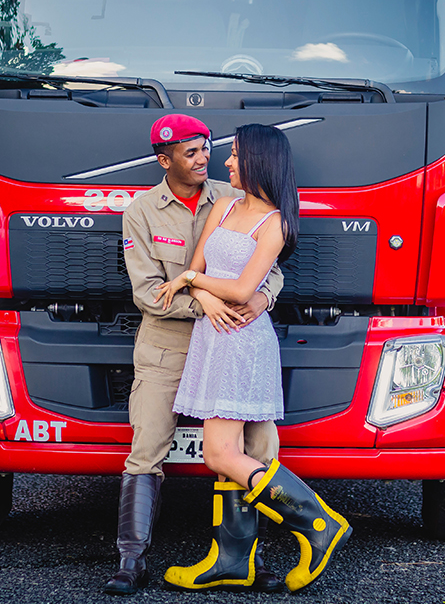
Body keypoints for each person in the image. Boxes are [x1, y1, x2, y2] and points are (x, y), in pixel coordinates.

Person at [157, 124, 351, 594]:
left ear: (259, 161)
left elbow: (244, 289)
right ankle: (232, 561)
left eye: (235, 154)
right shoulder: (223, 207)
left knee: (219, 453)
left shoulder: (276, 223)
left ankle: (318, 522)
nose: (225, 162)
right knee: (231, 454)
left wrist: (189, 282)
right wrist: (199, 290)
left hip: (242, 340)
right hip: (213, 333)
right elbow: (198, 269)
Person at [106, 114, 284, 596]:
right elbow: (149, 291)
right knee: (146, 448)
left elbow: (271, 269)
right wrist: (206, 302)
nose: (206, 158)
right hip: (168, 345)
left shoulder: (234, 198)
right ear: (165, 161)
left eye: (207, 148)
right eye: (191, 153)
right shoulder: (141, 211)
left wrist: (262, 299)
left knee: (257, 447)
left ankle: (246, 559)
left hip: (231, 343)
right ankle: (131, 561)